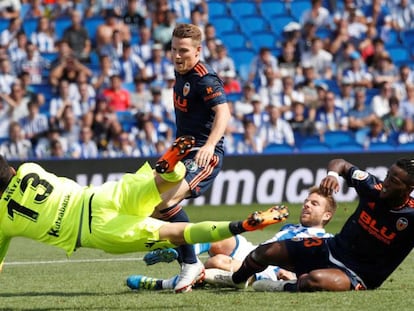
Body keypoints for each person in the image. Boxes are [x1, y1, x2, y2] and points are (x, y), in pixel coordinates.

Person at [0, 136, 288, 277]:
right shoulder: (29, 168)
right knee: (157, 183)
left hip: (96, 230)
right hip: (99, 197)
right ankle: (171, 166)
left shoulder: (2, 220)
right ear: (10, 168)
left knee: (176, 232)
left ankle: (241, 225)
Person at [208, 157, 414, 292]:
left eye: (394, 181)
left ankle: (280, 287)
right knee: (263, 253)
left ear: (409, 188)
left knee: (313, 280)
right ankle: (236, 280)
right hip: (329, 249)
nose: (386, 183)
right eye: (388, 176)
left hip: (358, 274)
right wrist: (333, 175)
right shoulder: (372, 187)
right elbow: (340, 163)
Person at [148, 23, 231, 293]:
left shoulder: (206, 80)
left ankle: (190, 263)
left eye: (183, 50)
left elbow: (224, 113)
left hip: (204, 156)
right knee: (148, 200)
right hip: (181, 153)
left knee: (166, 201)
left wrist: (209, 145)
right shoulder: (179, 71)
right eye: (173, 50)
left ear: (198, 51)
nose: (177, 55)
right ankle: (179, 251)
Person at [126, 186, 336, 291]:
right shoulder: (293, 227)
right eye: (307, 201)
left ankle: (160, 283)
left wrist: (290, 274)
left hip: (266, 271)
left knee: (217, 261)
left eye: (314, 204)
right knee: (221, 239)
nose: (307, 205)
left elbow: (320, 269)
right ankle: (180, 250)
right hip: (255, 251)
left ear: (327, 215)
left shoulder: (327, 240)